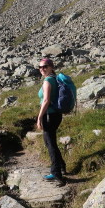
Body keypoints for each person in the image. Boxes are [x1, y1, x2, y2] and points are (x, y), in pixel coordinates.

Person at [36, 57, 67, 186]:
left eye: (45, 67)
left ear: (51, 67)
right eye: (40, 67)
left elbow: (46, 100)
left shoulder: (48, 81)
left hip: (49, 115)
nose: (42, 69)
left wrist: (39, 117)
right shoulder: (54, 78)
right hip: (55, 115)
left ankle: (57, 173)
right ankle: (62, 166)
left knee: (50, 144)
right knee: (51, 142)